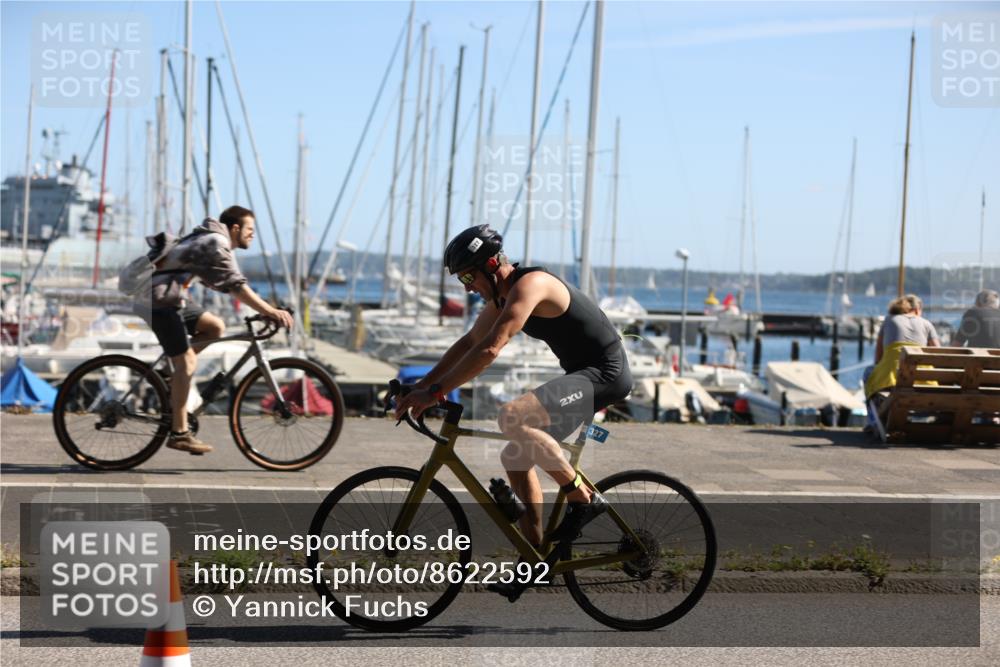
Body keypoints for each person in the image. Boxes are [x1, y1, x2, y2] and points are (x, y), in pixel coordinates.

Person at [394, 225, 633, 552]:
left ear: (491, 267)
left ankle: (583, 499)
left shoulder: (530, 285)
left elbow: (491, 349)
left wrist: (436, 393)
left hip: (606, 373)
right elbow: (470, 342)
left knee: (512, 416)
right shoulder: (501, 296)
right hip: (582, 373)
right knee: (516, 457)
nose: (467, 289)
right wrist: (419, 386)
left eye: (468, 278)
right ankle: (535, 556)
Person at [138, 205, 293, 455]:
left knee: (215, 327)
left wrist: (263, 309)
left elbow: (220, 281)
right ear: (235, 228)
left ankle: (171, 371)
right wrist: (270, 311)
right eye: (250, 229)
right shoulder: (217, 241)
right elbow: (236, 286)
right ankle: (179, 433)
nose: (253, 235)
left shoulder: (210, 239)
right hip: (157, 299)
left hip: (168, 295)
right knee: (187, 363)